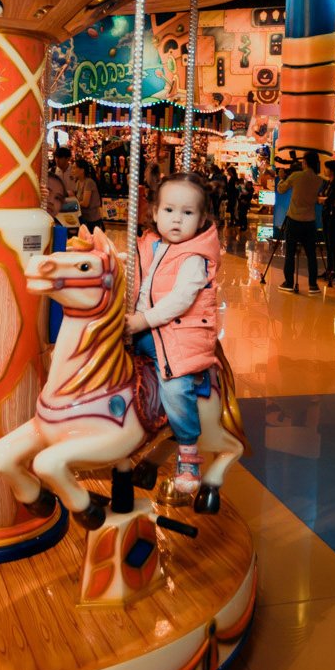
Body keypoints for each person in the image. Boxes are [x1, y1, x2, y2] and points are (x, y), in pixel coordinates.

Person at [125, 173, 220, 496]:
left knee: (176, 388)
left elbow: (181, 300)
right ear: (154, 212)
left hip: (176, 337)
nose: (177, 219)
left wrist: (143, 320)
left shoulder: (194, 257)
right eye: (169, 210)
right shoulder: (148, 245)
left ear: (202, 219)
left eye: (187, 212)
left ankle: (188, 455)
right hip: (142, 330)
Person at [277, 151, 323, 294]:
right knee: (311, 254)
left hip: (294, 219)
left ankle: (289, 283)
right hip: (310, 221)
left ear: (305, 162)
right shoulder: (319, 180)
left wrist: (282, 178)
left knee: (290, 252)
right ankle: (313, 285)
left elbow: (281, 189)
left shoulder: (296, 176)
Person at [71, 157, 104, 230]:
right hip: (84, 218)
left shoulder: (89, 182)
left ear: (82, 170)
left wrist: (73, 204)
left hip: (92, 220)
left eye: (74, 168)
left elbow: (85, 203)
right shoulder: (78, 182)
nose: (72, 171)